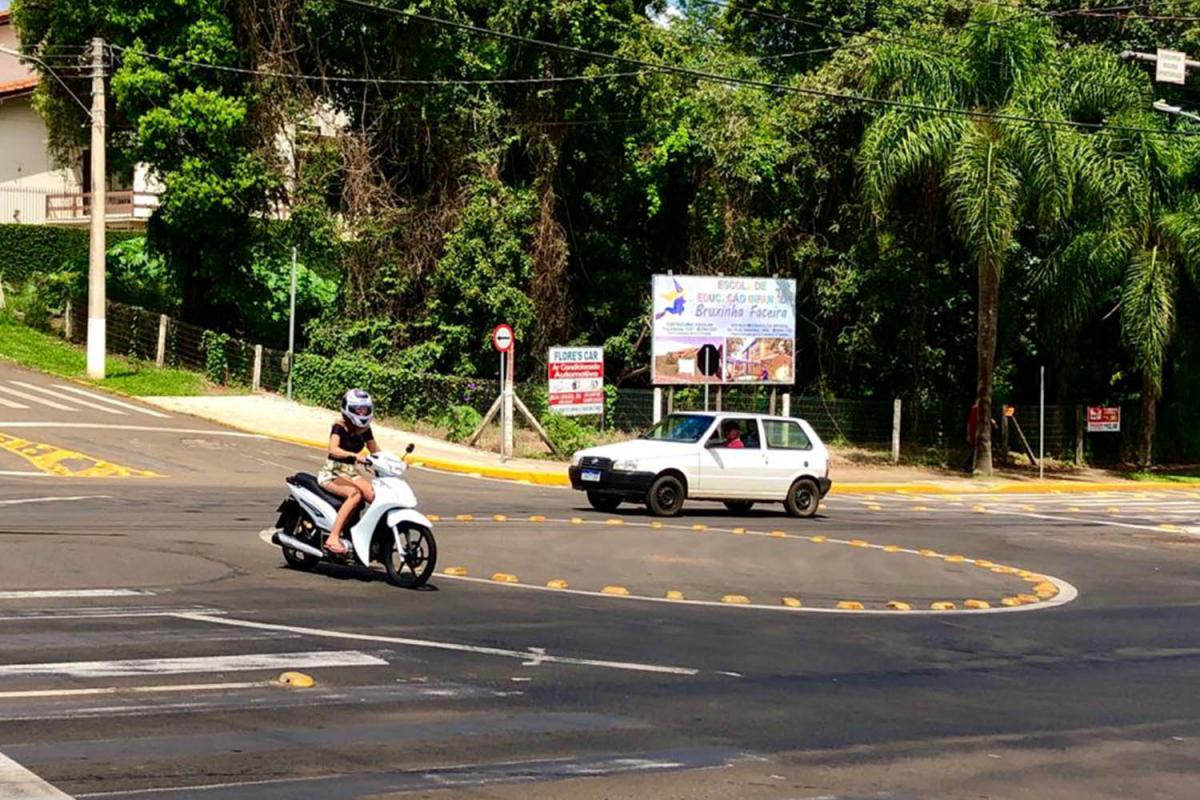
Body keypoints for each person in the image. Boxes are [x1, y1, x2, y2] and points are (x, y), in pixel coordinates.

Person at [319, 388, 380, 554]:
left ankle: (368, 535)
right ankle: (333, 537)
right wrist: (355, 456)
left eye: (365, 410)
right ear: (348, 409)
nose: (362, 413)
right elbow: (333, 449)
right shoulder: (339, 427)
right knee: (355, 495)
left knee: (376, 496)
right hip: (332, 473)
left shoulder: (365, 429)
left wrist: (394, 463)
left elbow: (376, 452)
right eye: (359, 409)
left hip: (351, 473)